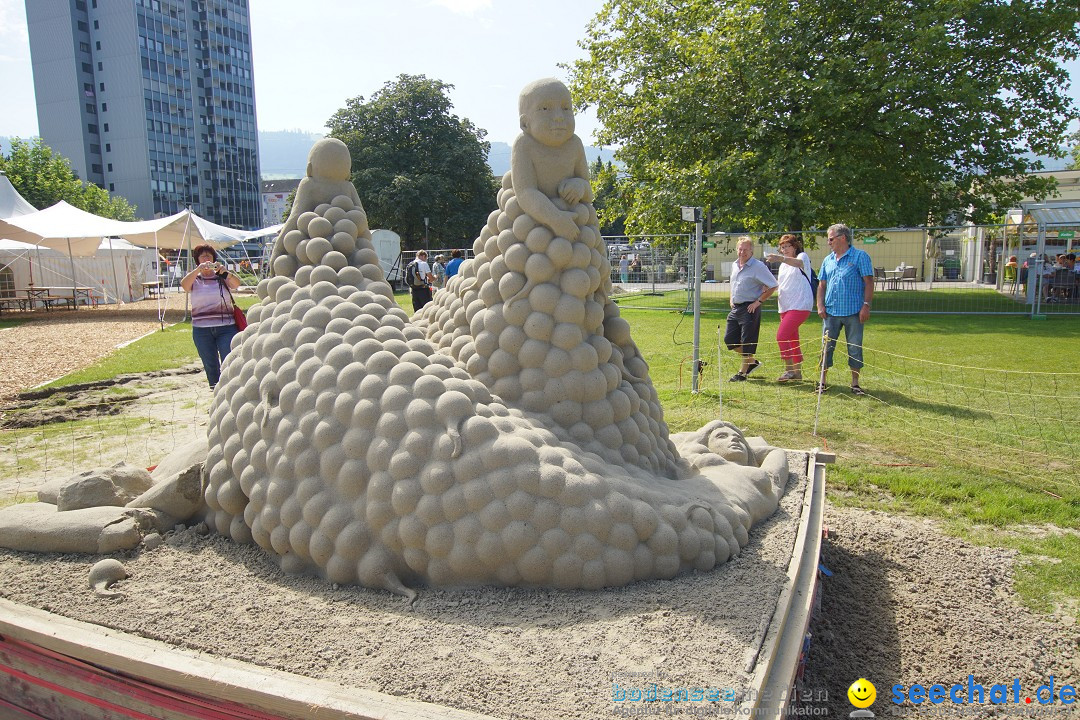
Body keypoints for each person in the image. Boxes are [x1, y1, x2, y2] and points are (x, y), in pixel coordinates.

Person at [511, 77, 592, 242]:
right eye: (545, 108)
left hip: (574, 222)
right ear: (525, 123)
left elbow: (589, 192)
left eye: (566, 108)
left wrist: (580, 186)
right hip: (535, 227)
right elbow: (525, 192)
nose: (559, 117)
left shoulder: (575, 144)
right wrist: (556, 219)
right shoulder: (524, 144)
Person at [816, 223, 874, 395]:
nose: (828, 242)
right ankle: (822, 382)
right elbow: (821, 284)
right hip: (831, 313)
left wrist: (866, 306)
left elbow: (869, 282)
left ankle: (855, 384)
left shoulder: (860, 257)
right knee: (826, 348)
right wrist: (820, 305)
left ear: (842, 238)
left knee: (855, 347)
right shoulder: (828, 260)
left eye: (831, 239)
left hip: (854, 313)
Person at [181, 243, 242, 389]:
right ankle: (215, 391)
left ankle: (231, 389)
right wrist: (197, 271)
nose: (206, 259)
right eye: (203, 256)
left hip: (226, 327)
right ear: (197, 260)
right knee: (210, 363)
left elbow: (236, 284)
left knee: (229, 358)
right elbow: (184, 286)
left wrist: (224, 272)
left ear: (214, 259)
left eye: (209, 256)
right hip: (202, 329)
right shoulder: (194, 278)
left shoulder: (221, 276)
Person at [724, 236, 777, 381]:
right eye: (740, 249)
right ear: (737, 249)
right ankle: (752, 362)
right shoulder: (735, 265)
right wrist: (731, 298)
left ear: (752, 250)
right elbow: (733, 283)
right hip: (736, 308)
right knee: (730, 340)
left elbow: (773, 285)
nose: (742, 252)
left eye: (745, 249)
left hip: (750, 308)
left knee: (747, 341)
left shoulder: (758, 266)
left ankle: (742, 373)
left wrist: (758, 302)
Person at [766, 234, 813, 382]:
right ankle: (797, 373)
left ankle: (789, 370)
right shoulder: (783, 267)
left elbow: (798, 264)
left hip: (800, 305)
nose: (785, 249)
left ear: (795, 247)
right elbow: (782, 285)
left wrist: (780, 258)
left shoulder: (802, 257)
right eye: (782, 247)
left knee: (782, 336)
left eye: (788, 246)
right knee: (793, 338)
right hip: (785, 306)